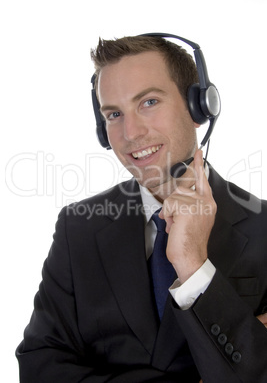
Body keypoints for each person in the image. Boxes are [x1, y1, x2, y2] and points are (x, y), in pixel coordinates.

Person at [16, 35, 267, 382]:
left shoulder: (264, 228)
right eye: (114, 114)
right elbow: (39, 365)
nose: (130, 132)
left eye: (149, 101)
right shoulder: (79, 228)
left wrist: (194, 268)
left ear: (199, 107)